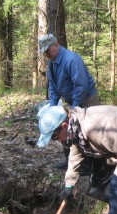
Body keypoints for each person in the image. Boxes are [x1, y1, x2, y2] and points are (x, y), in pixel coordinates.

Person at [39, 33, 100, 169]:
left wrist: (75, 108)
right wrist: (52, 110)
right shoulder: (52, 64)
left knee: (88, 130)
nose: (48, 54)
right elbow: (53, 88)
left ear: (56, 45)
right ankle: (70, 161)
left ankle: (90, 165)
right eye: (45, 52)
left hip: (86, 99)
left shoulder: (71, 60)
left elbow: (81, 85)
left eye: (49, 50)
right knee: (64, 128)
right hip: (71, 100)